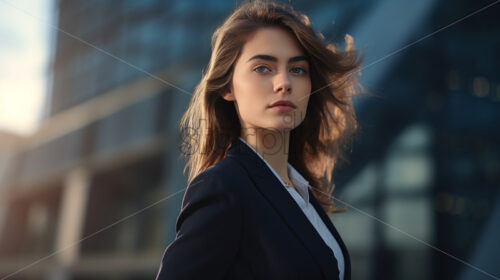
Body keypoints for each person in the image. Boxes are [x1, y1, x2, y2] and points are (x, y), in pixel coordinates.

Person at [156, 1, 362, 279]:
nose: (284, 83)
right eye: (263, 68)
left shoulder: (302, 192)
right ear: (228, 87)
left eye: (298, 70)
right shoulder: (223, 186)